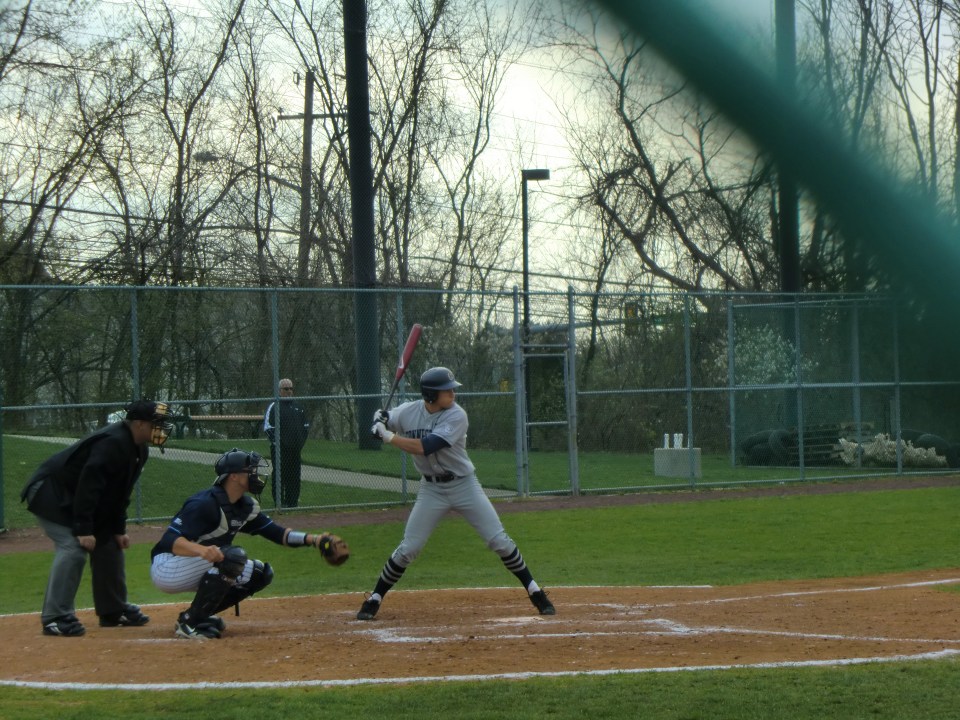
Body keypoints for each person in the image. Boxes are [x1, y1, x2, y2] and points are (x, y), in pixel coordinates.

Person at [362, 366, 555, 620]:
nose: (452, 393)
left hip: (464, 485)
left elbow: (426, 446)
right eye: (446, 390)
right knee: (409, 548)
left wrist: (387, 436)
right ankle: (375, 598)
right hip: (431, 489)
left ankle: (535, 592)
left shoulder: (457, 415)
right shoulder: (408, 412)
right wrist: (380, 419)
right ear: (431, 395)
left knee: (499, 540)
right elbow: (388, 418)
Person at [20, 400, 173, 637]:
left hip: (74, 495)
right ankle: (55, 617)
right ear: (140, 424)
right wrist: (83, 528)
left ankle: (113, 610)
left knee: (109, 544)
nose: (161, 428)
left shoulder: (139, 449)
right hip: (50, 492)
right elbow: (89, 486)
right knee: (72, 547)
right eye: (157, 423)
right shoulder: (113, 443)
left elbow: (119, 493)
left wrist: (118, 528)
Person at [150, 447, 339, 639]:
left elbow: (279, 534)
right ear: (233, 476)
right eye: (251, 471)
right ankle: (189, 624)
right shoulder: (204, 504)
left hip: (195, 564)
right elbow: (170, 541)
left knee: (260, 574)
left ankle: (200, 615)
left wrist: (314, 539)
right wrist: (201, 550)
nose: (256, 475)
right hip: (168, 566)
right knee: (232, 558)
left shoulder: (243, 507)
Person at [263, 378, 310, 507]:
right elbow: (268, 428)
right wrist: (278, 444)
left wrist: (300, 443)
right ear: (279, 391)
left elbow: (305, 426)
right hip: (280, 449)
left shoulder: (298, 406)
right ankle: (279, 502)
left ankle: (292, 501)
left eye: (291, 389)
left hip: (295, 449)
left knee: (294, 475)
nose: (289, 391)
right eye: (286, 389)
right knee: (280, 474)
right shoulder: (274, 406)